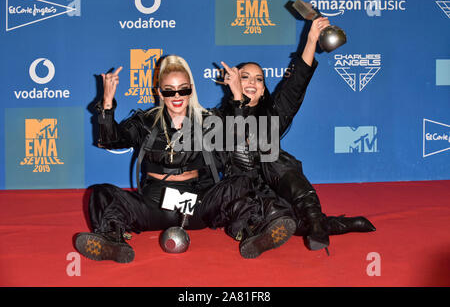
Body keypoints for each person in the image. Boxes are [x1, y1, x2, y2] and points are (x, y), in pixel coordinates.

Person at [75, 55, 296, 263]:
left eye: (183, 89)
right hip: (155, 204)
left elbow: (237, 137)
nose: (177, 96)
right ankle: (112, 240)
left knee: (241, 184)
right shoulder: (144, 122)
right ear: (160, 93)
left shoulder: (207, 121)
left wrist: (238, 97)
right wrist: (107, 104)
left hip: (197, 205)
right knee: (100, 193)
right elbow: (112, 140)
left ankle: (252, 232)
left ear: (191, 91)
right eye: (169, 91)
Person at [202, 17, 376, 258]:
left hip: (270, 187)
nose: (253, 82)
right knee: (272, 211)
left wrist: (312, 39)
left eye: (259, 79)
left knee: (273, 157)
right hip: (237, 192)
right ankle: (285, 228)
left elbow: (295, 84)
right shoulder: (217, 117)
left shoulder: (272, 115)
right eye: (245, 77)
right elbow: (233, 139)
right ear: (232, 82)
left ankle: (316, 222)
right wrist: (236, 100)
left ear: (263, 89)